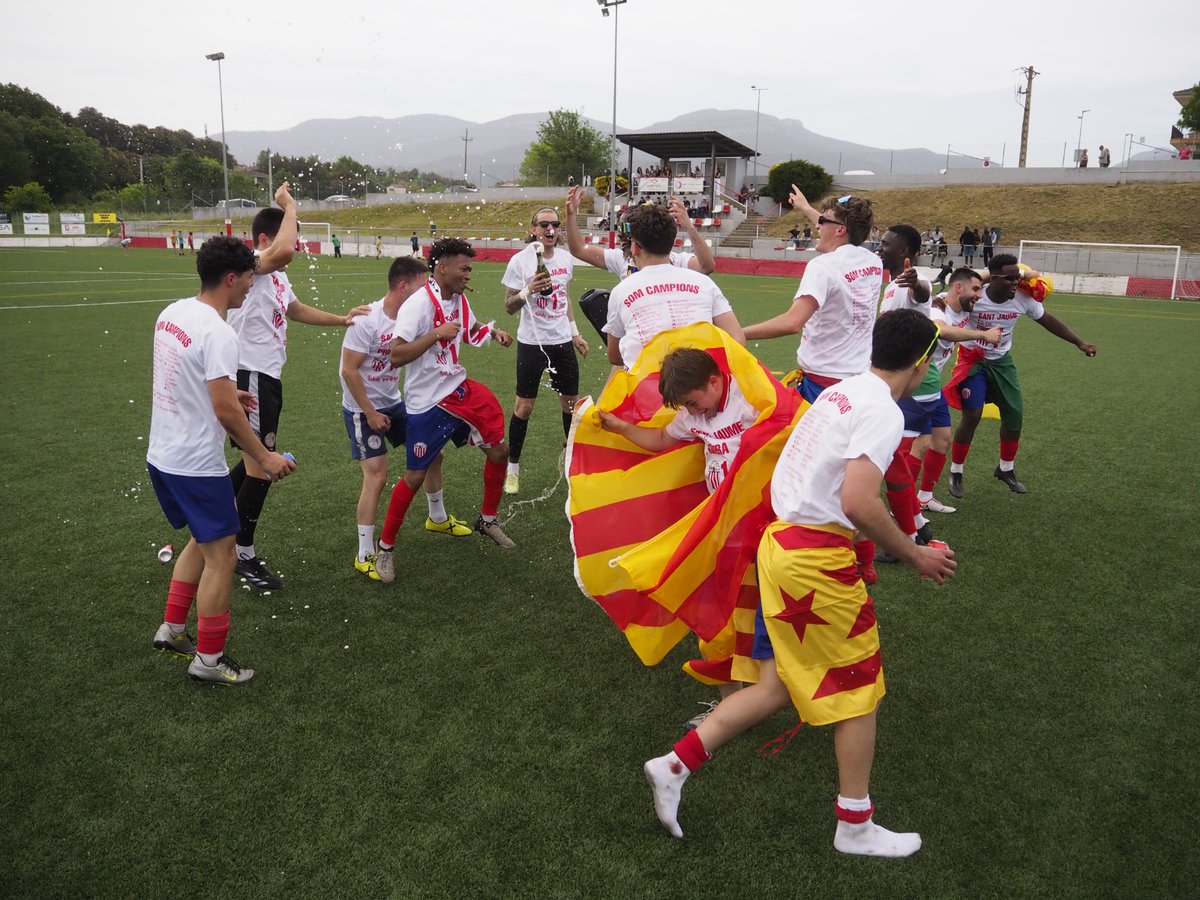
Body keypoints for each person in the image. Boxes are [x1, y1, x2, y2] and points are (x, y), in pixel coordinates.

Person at [642, 309, 956, 855]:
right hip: (811, 559)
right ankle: (854, 826)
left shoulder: (840, 392)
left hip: (781, 546)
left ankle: (675, 764)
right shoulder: (880, 410)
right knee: (860, 689)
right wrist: (915, 552)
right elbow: (859, 499)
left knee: (776, 685)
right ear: (923, 361)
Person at [147, 236, 296, 685]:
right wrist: (264, 456)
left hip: (162, 455)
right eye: (250, 278)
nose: (253, 286)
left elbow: (186, 377)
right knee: (224, 556)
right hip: (195, 464)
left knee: (203, 540)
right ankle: (209, 661)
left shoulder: (172, 313)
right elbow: (227, 413)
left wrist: (229, 391)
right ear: (231, 279)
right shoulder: (221, 333)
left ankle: (172, 630)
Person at [226, 182, 370, 591]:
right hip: (249, 375)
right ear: (265, 239)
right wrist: (290, 206)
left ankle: (212, 529)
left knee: (254, 458)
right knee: (260, 465)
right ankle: (242, 554)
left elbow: (297, 309)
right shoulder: (255, 261)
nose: (298, 247)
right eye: (291, 231)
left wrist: (341, 320)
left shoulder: (276, 279)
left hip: (267, 377)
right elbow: (285, 250)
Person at [743, 189, 883, 581]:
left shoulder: (822, 268)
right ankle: (865, 559)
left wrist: (739, 332)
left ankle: (800, 545)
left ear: (838, 230)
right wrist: (809, 210)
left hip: (821, 391)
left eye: (823, 221)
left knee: (800, 470)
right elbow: (839, 242)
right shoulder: (871, 261)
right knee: (847, 472)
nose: (815, 227)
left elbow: (792, 322)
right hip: (859, 384)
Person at [374, 238, 516, 581]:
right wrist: (435, 334)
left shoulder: (459, 299)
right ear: (442, 267)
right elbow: (396, 355)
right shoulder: (418, 305)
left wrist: (493, 332)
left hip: (459, 388)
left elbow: (468, 331)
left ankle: (488, 519)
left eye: (470, 268)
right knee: (415, 476)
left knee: (499, 450)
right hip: (428, 402)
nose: (469, 273)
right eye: (464, 268)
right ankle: (385, 547)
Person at [340, 256, 472, 580]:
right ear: (403, 287)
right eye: (420, 286)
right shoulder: (367, 321)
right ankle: (365, 553)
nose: (427, 291)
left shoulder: (414, 317)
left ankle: (437, 518)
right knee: (377, 475)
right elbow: (348, 370)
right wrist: (370, 412)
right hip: (362, 408)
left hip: (395, 403)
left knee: (433, 454)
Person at [946, 254, 1097, 497]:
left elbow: (1048, 321)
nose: (1016, 282)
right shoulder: (976, 295)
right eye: (1010, 278)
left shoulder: (1022, 298)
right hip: (973, 360)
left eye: (1018, 277)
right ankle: (956, 471)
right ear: (993, 278)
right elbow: (949, 301)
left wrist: (1079, 342)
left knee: (1014, 414)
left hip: (1002, 361)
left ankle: (1006, 469)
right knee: (972, 414)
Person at [500, 207, 589, 495]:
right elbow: (509, 306)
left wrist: (575, 334)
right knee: (524, 407)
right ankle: (513, 468)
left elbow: (565, 298)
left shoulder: (565, 259)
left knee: (571, 405)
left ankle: (572, 466)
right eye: (544, 225)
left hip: (561, 341)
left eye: (555, 225)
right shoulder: (520, 261)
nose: (551, 230)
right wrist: (528, 291)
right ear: (533, 228)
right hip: (531, 342)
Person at [902, 268, 1000, 515]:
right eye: (975, 290)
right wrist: (983, 335)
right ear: (958, 288)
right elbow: (941, 330)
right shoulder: (937, 310)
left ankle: (924, 497)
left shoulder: (959, 301)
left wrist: (1019, 271)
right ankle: (903, 502)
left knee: (942, 441)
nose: (979, 295)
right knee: (920, 445)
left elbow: (975, 276)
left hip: (933, 386)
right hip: (915, 385)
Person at [604, 204, 744, 370]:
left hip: (646, 388)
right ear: (671, 242)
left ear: (634, 248)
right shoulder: (704, 283)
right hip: (700, 383)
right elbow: (737, 340)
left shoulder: (622, 290)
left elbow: (615, 356)